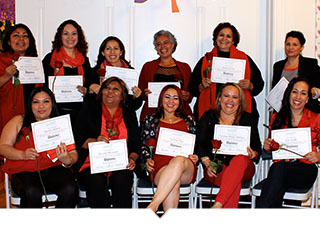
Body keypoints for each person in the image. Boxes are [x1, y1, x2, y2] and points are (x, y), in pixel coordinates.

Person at [0, 87, 78, 208]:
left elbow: (73, 154)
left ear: (52, 103)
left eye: (46, 101)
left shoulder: (61, 124)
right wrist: (22, 154)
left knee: (70, 188)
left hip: (53, 168)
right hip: (24, 170)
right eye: (36, 102)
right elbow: (3, 147)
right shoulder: (19, 121)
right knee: (32, 192)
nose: (41, 106)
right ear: (30, 104)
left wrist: (67, 159)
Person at [73, 77, 141, 208]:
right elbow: (78, 139)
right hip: (91, 163)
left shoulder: (129, 113)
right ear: (101, 92)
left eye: (115, 89)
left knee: (122, 179)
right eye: (106, 88)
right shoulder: (89, 109)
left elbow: (136, 144)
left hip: (120, 163)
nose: (110, 91)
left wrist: (132, 159)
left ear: (122, 96)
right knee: (96, 181)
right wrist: (95, 141)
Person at [195, 82, 261, 208]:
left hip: (244, 167)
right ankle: (218, 206)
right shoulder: (208, 117)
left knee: (239, 160)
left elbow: (257, 148)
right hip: (215, 167)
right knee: (231, 182)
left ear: (240, 101)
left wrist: (254, 153)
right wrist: (207, 163)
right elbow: (200, 144)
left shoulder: (248, 119)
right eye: (226, 96)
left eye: (235, 97)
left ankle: (218, 205)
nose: (230, 100)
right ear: (219, 98)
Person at [256, 77, 320, 208]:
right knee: (277, 180)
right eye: (294, 91)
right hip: (281, 169)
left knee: (276, 172)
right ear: (288, 94)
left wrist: (319, 156)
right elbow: (271, 149)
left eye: (303, 93)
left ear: (308, 98)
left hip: (305, 169)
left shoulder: (316, 118)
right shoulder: (277, 117)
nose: (298, 97)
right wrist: (267, 147)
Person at [189, 22, 264, 123]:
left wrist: (250, 85)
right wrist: (201, 86)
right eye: (221, 35)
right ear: (216, 38)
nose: (224, 38)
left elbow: (259, 84)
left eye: (228, 36)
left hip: (239, 114)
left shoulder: (245, 59)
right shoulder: (205, 60)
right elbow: (192, 87)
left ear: (233, 41)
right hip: (210, 114)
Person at [140, 85, 197, 213]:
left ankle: (153, 205)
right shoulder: (151, 120)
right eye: (167, 97)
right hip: (160, 167)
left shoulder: (189, 120)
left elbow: (196, 145)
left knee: (178, 161)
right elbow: (144, 146)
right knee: (173, 182)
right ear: (161, 99)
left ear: (180, 101)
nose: (171, 101)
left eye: (175, 98)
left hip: (186, 166)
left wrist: (196, 155)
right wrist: (147, 160)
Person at [42, 19, 92, 126]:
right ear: (60, 36)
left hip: (80, 114)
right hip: (56, 113)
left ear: (79, 37)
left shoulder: (84, 60)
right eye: (66, 33)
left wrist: (86, 90)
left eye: (74, 33)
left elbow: (89, 83)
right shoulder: (50, 58)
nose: (70, 37)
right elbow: (43, 84)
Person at [138, 30, 193, 122]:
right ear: (156, 49)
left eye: (165, 42)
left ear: (172, 45)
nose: (162, 46)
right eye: (158, 44)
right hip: (153, 115)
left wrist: (187, 95)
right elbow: (141, 92)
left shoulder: (185, 67)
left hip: (179, 115)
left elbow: (190, 94)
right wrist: (145, 93)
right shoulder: (148, 67)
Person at [0, 23, 38, 135]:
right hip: (6, 112)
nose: (21, 39)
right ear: (8, 41)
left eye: (25, 36)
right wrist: (6, 76)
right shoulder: (1, 60)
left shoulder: (34, 62)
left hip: (31, 113)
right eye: (16, 35)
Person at [272, 30, 320, 113]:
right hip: (284, 112)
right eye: (288, 44)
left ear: (301, 47)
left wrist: (311, 92)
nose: (290, 48)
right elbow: (274, 91)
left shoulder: (310, 64)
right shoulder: (278, 66)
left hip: (307, 111)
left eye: (295, 45)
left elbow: (318, 87)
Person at [90, 36, 143, 110]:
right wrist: (91, 89)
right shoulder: (94, 72)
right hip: (100, 116)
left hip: (124, 117)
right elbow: (88, 101)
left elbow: (135, 105)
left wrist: (137, 96)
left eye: (116, 48)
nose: (112, 52)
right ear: (102, 53)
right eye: (108, 48)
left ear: (121, 52)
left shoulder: (131, 73)